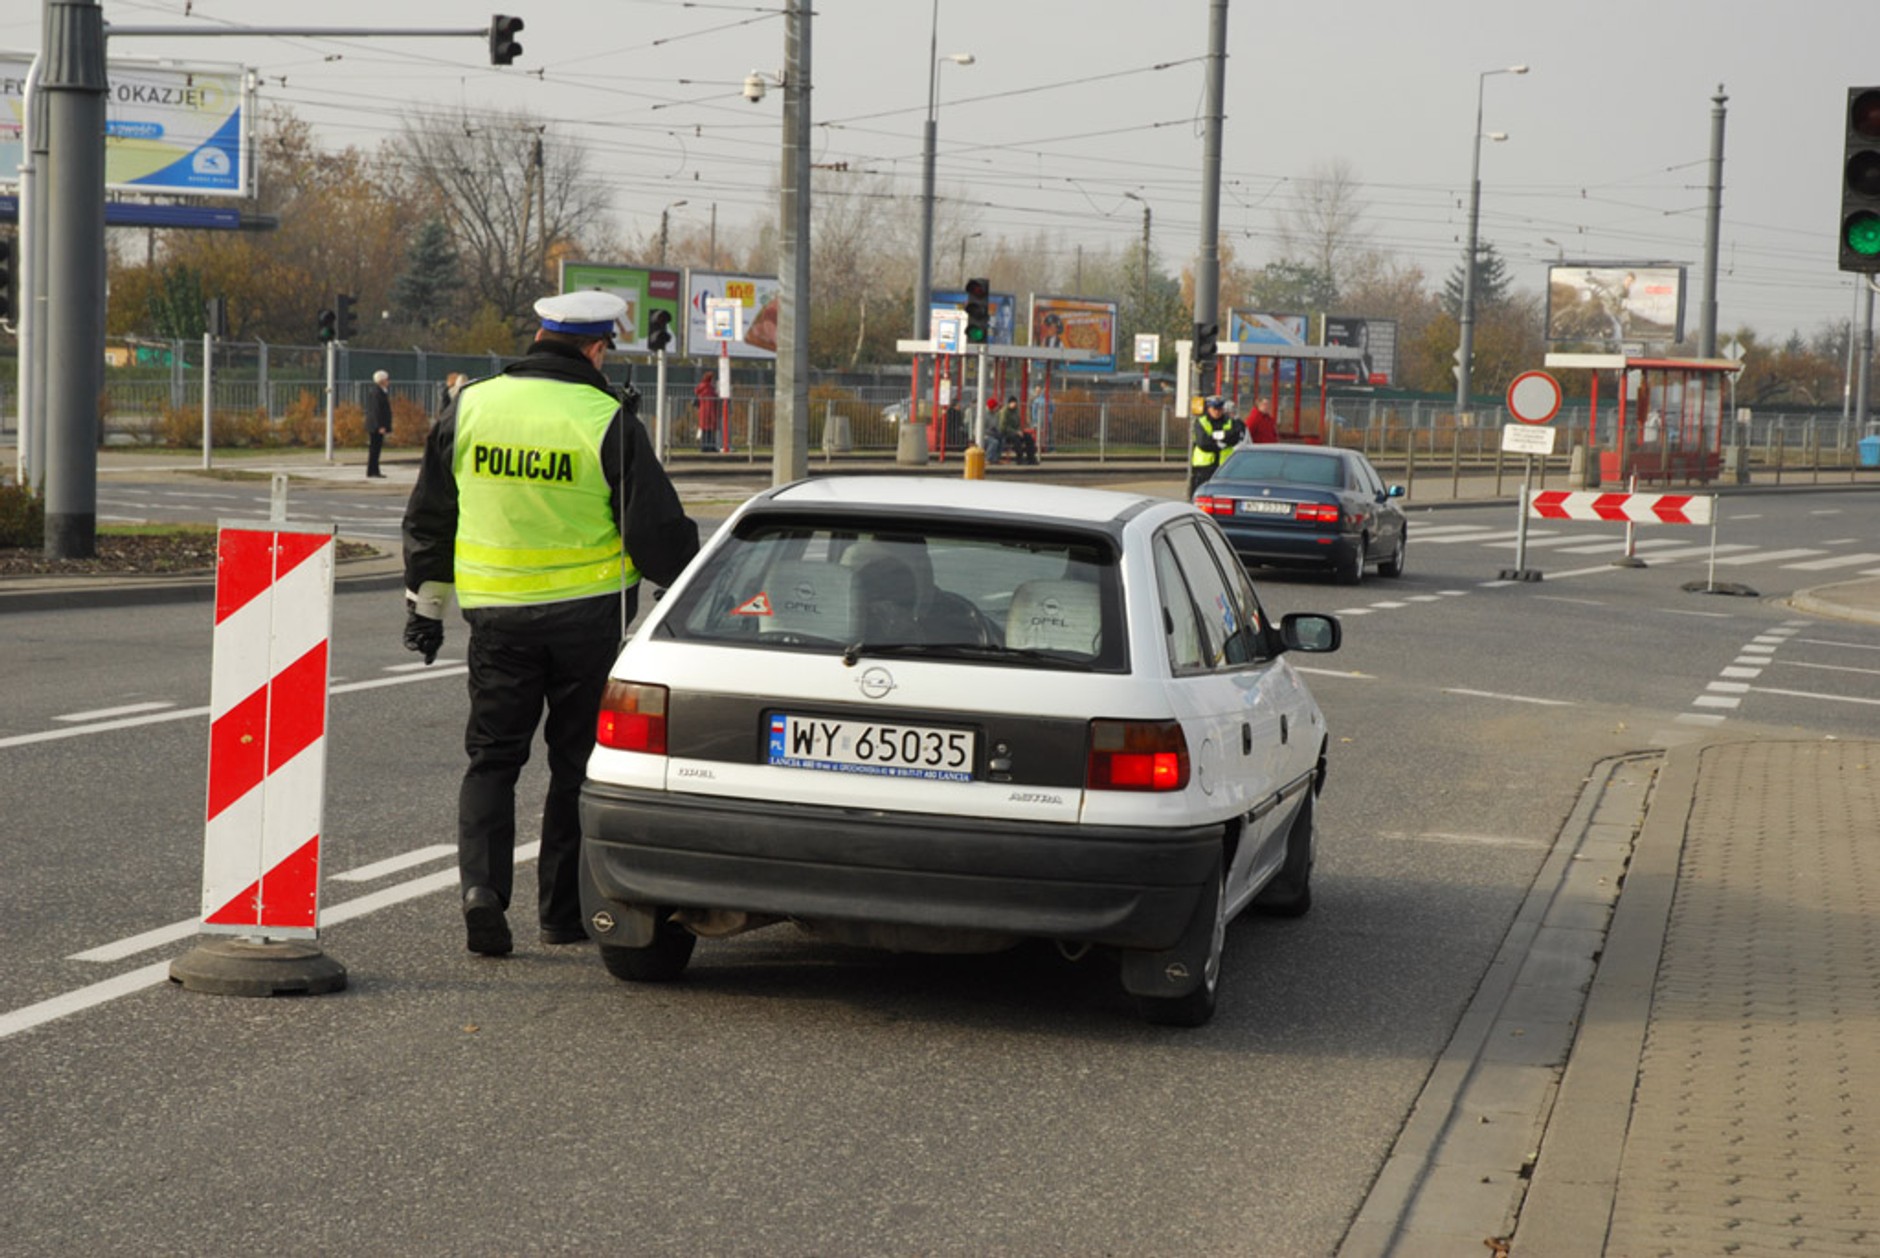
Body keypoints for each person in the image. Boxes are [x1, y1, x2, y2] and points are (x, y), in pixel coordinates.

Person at [401, 290, 700, 957]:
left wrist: (426, 607)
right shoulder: (606, 419)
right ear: (597, 348)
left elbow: (430, 516)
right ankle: (560, 914)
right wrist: (691, 593)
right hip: (586, 622)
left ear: (540, 335)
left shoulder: (470, 405)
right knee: (574, 766)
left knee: (492, 760)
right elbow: (654, 533)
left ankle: (482, 892)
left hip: (496, 621)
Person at [1187, 395, 1246, 496]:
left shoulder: (1229, 421)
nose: (1217, 412)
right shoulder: (1201, 422)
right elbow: (1203, 442)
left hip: (1224, 466)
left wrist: (1215, 437)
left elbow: (1234, 437)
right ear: (1208, 408)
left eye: (1219, 409)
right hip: (1204, 467)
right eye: (1214, 409)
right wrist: (1221, 444)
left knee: (1222, 495)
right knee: (1201, 495)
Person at [365, 370, 393, 479]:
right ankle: (373, 471)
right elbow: (376, 410)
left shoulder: (380, 392)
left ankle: (373, 470)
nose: (388, 381)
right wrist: (380, 425)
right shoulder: (377, 393)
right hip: (376, 426)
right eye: (387, 379)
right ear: (382, 381)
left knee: (376, 449)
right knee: (375, 448)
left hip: (376, 425)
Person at [694, 372, 720, 453]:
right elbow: (714, 397)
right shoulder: (709, 389)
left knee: (705, 429)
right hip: (710, 411)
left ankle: (705, 446)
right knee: (710, 430)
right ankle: (710, 446)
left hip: (703, 411)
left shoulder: (701, 388)